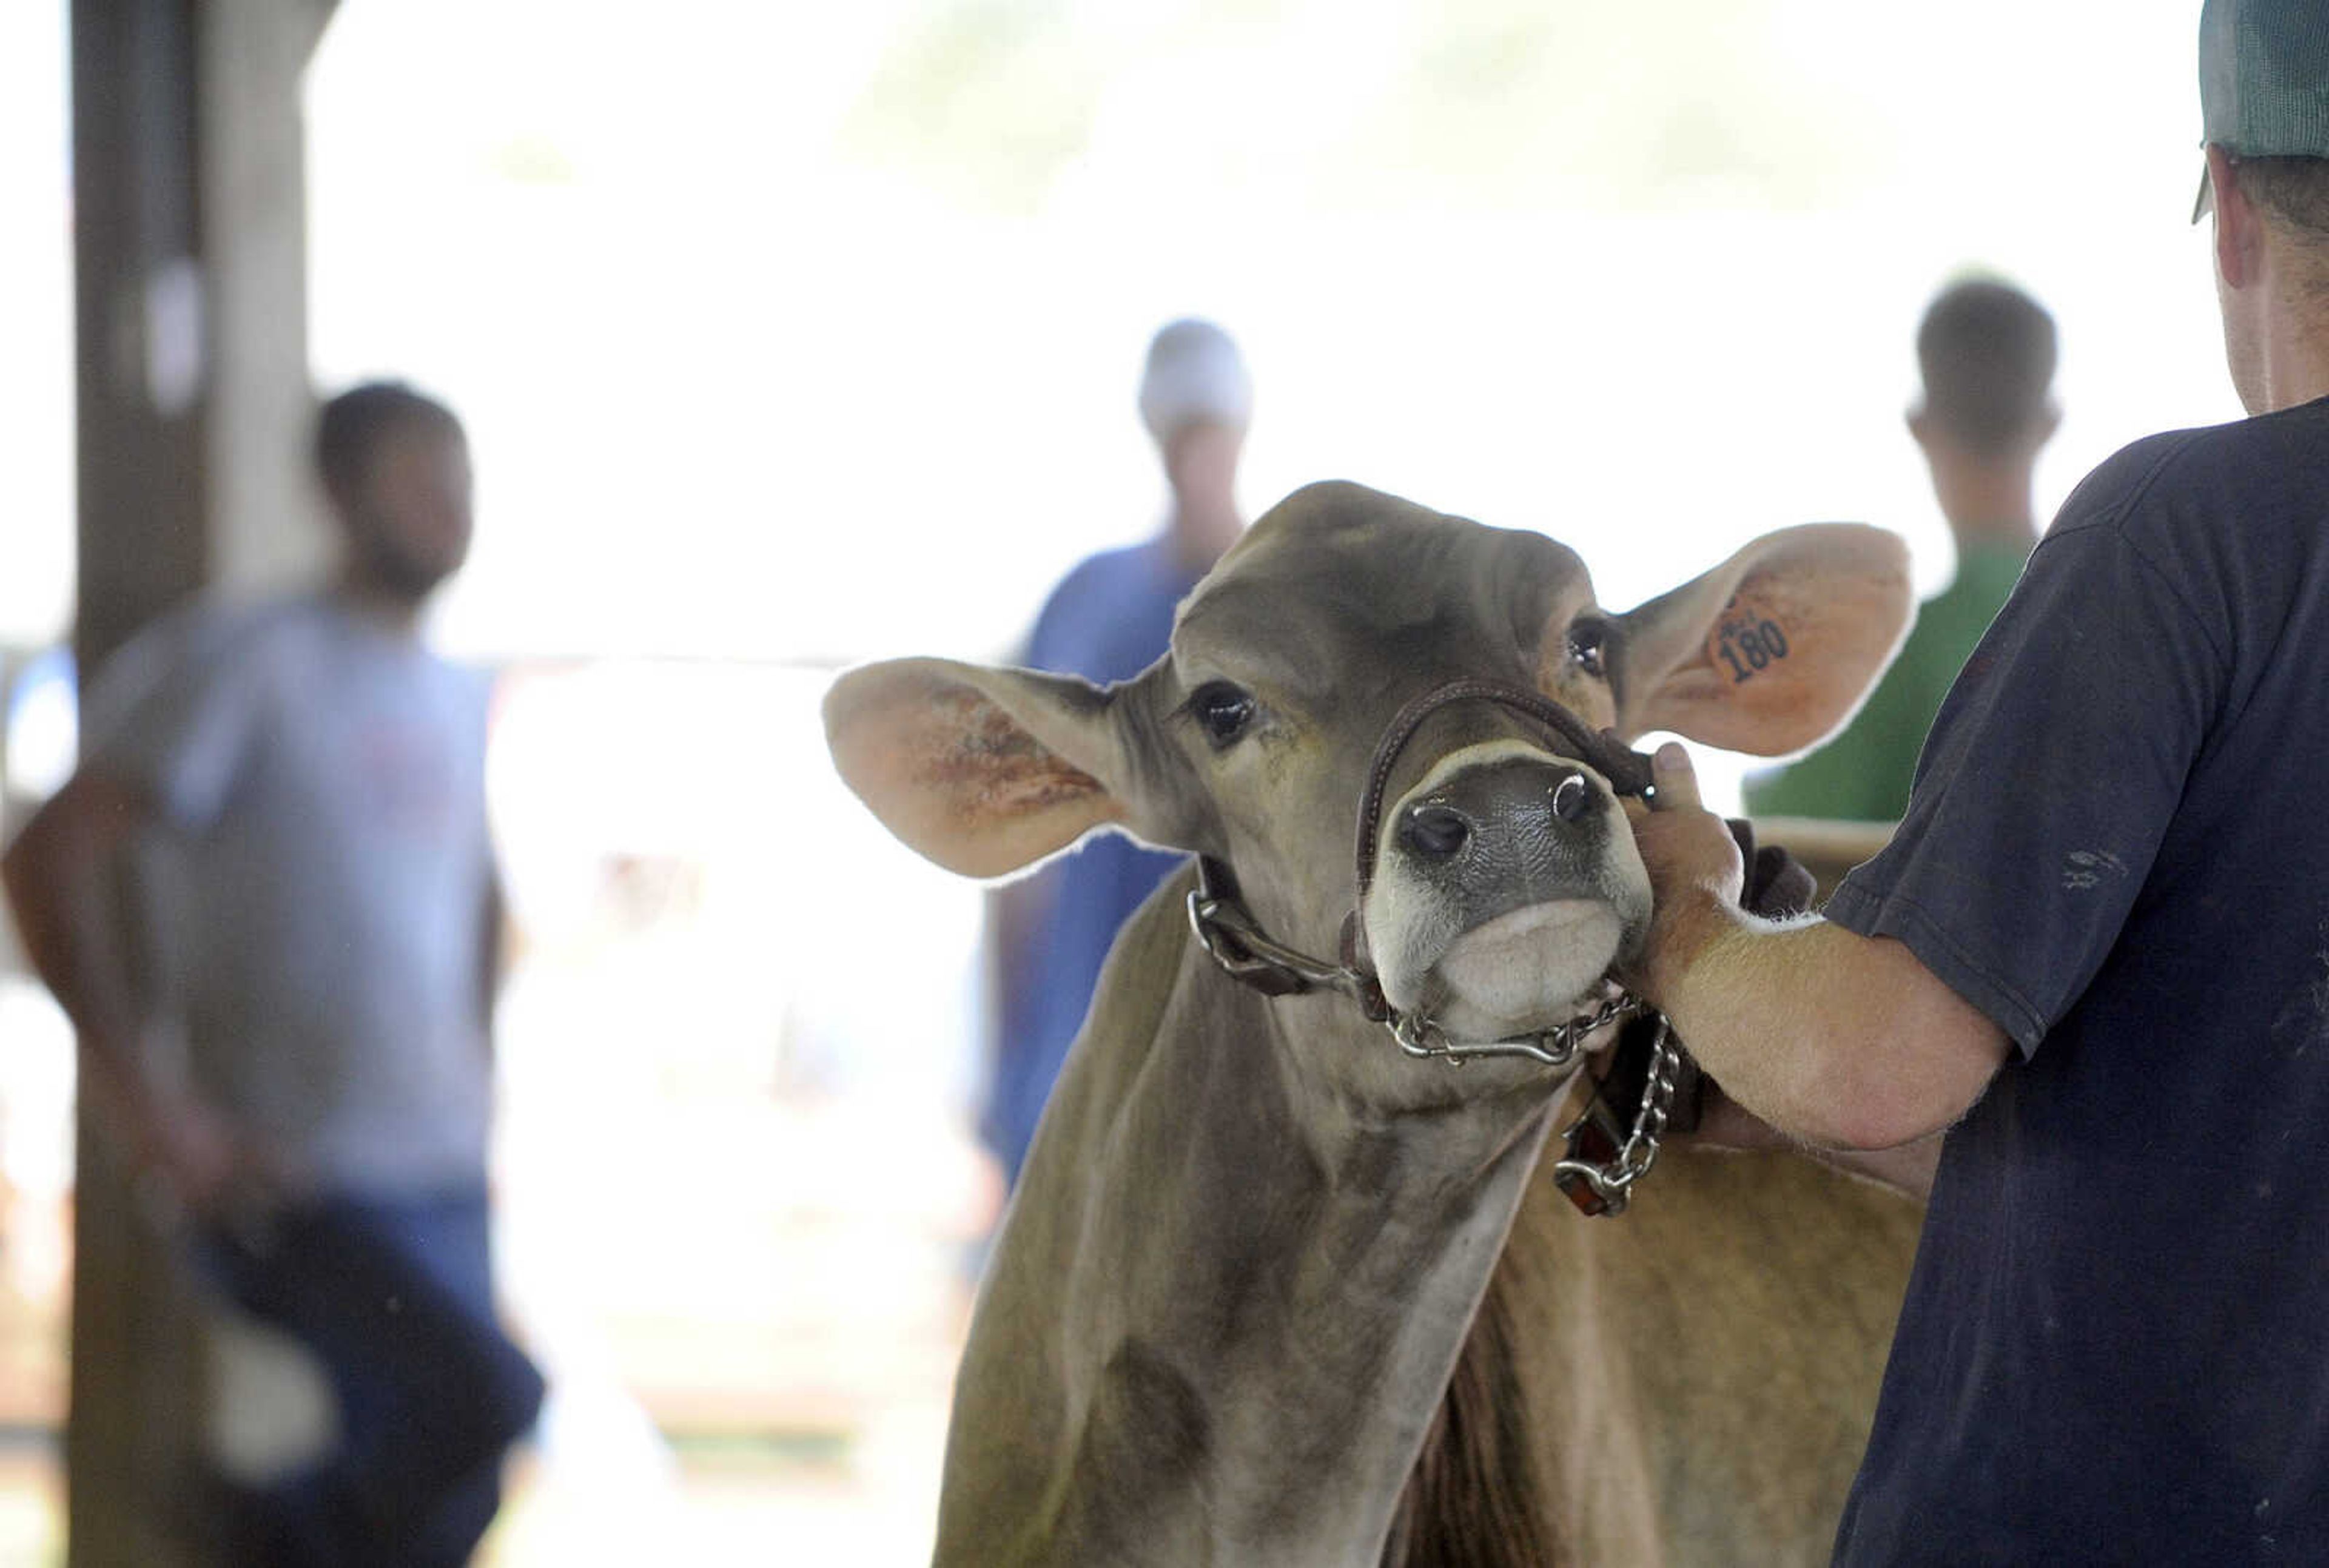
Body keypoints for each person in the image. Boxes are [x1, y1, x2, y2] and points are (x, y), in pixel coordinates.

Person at [1623, 2, 2329, 1558]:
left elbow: (1879, 1062)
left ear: (2224, 207)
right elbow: (2168, 1136)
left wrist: (1684, 924)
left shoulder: (2179, 540)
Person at [1, 382, 542, 1566]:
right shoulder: (248, 662)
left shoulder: (455, 690)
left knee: (448, 1501)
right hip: (296, 1166)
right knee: (481, 1397)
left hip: (438, 1162)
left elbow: (471, 903)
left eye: (461, 473)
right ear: (339, 494)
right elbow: (48, 856)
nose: (448, 502)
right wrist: (148, 1103)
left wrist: (482, 1080)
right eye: (415, 472)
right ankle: (244, 1534)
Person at [982, 319, 1252, 1189]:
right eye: (1184, 436)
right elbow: (1012, 847)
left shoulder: (1280, 612)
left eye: (1209, 436)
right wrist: (1006, 1068)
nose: (1196, 462)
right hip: (1074, 1074)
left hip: (1231, 1095)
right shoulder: (1088, 601)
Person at [1745, 277, 2057, 821]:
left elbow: (1800, 826)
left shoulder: (1893, 653)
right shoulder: (2118, 620)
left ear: (1920, 426)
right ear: (2050, 421)